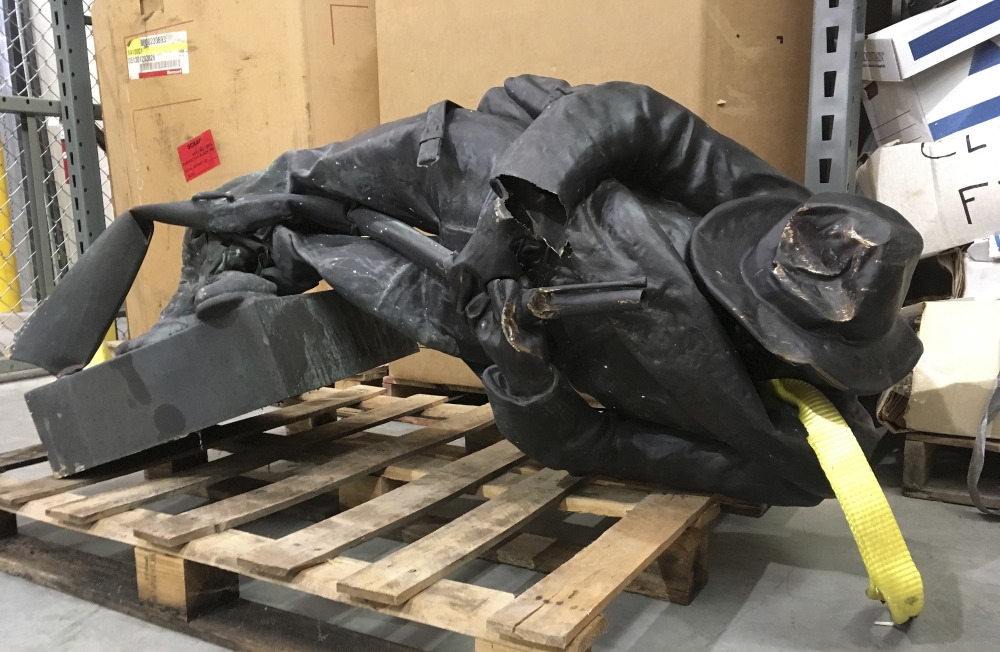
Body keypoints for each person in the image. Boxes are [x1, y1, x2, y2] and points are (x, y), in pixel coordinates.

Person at [120, 75, 925, 507]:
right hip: (489, 168)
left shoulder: (796, 458)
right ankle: (218, 271)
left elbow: (598, 448)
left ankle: (273, 260)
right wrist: (519, 207)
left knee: (339, 254)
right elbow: (630, 113)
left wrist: (525, 381)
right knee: (295, 180)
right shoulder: (778, 217)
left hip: (499, 325)